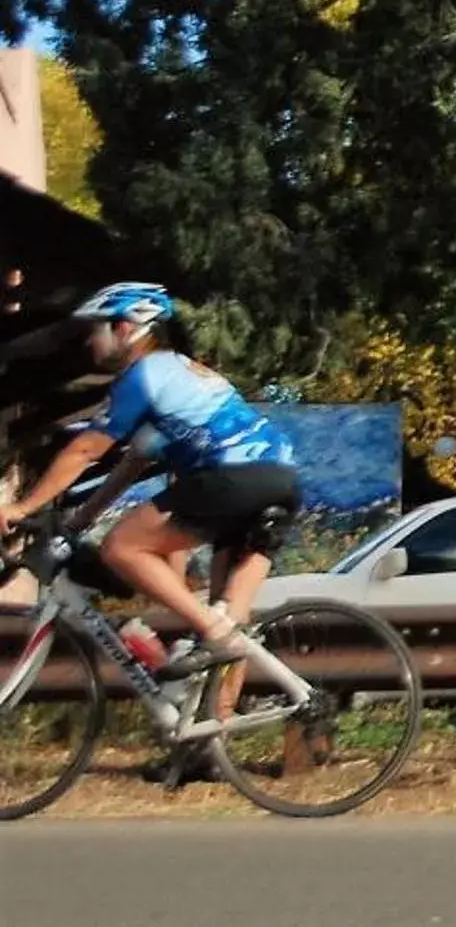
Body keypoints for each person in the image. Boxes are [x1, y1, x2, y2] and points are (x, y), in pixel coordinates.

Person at [0, 283, 301, 668]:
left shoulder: (141, 376)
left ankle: (213, 632)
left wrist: (24, 506)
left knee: (121, 548)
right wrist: (78, 521)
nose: (90, 343)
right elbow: (131, 466)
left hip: (232, 475)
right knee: (231, 622)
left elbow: (86, 450)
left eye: (97, 330)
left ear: (126, 328)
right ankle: (220, 722)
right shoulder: (182, 375)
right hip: (282, 479)